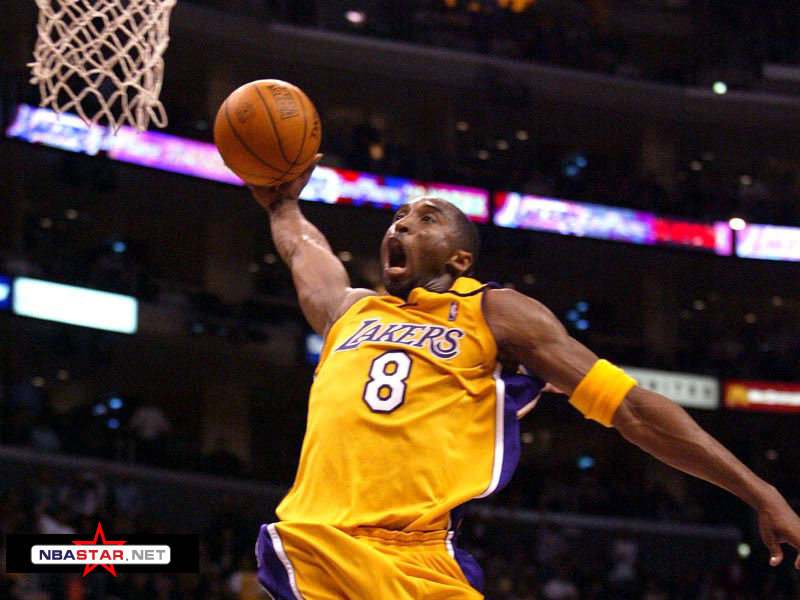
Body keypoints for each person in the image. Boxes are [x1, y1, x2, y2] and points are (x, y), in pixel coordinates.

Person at [248, 156, 800, 600]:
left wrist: (761, 492)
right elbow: (303, 249)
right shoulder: (350, 309)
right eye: (399, 217)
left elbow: (633, 409)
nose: (402, 223)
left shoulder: (496, 312)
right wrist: (282, 203)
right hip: (321, 546)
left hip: (423, 561)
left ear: (460, 259)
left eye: (427, 218)